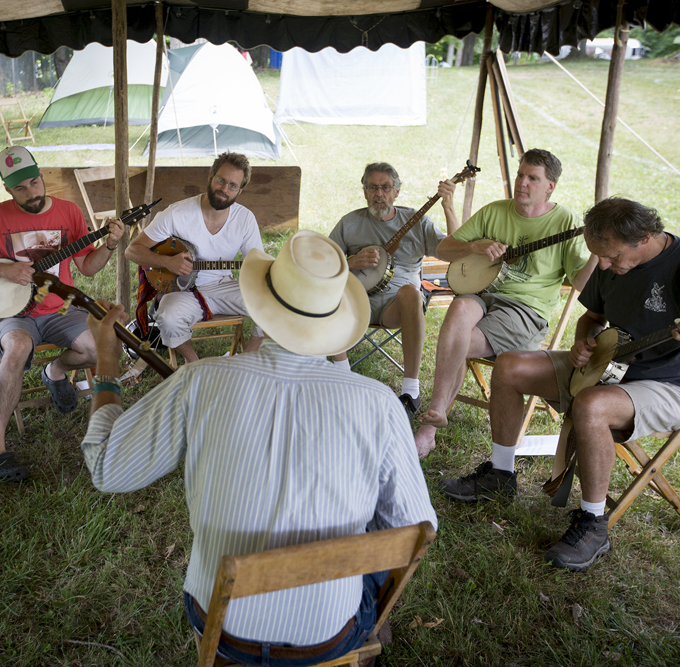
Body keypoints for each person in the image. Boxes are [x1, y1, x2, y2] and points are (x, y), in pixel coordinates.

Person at [82, 230, 437, 666]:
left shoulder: (199, 380)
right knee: (380, 538)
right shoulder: (380, 403)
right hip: (328, 635)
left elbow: (106, 467)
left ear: (259, 308)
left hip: (226, 628)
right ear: (335, 323)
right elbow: (415, 526)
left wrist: (106, 365)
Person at [440, 197, 680, 572]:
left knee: (592, 405)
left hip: (669, 385)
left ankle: (594, 524)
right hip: (608, 364)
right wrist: (584, 342)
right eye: (601, 258)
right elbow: (591, 317)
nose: (605, 266)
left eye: (611, 257)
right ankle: (500, 474)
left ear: (644, 237)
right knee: (510, 365)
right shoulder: (608, 258)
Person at [0, 146, 123, 482]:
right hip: (13, 312)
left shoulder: (69, 212)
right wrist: (3, 268)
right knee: (16, 348)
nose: (31, 192)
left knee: (105, 347)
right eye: (20, 188)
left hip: (61, 308)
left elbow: (87, 267)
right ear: (7, 190)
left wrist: (111, 245)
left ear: (42, 176)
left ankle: (55, 371)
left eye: (34, 182)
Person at [415, 149, 597, 457]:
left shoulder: (565, 222)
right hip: (482, 292)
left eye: (533, 178)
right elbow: (444, 249)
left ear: (550, 186)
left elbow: (581, 284)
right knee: (459, 308)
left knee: (457, 343)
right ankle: (436, 409)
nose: (522, 183)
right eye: (520, 174)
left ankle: (429, 427)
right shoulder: (495, 211)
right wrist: (474, 245)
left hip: (524, 310)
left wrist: (597, 252)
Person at [329, 162, 458, 416]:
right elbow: (322, 264)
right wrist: (350, 262)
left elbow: (456, 253)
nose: (379, 194)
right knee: (330, 289)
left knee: (411, 292)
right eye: (373, 188)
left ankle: (411, 391)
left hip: (396, 306)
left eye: (386, 187)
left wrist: (448, 206)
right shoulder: (349, 223)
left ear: (397, 191)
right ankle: (342, 375)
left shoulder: (416, 221)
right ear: (365, 192)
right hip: (353, 304)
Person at [124, 152, 265, 364]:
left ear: (240, 190)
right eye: (221, 180)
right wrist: (167, 262)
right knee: (169, 318)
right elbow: (132, 250)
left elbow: (258, 265)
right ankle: (194, 364)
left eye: (232, 186)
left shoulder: (244, 218)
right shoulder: (177, 214)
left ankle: (246, 360)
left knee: (274, 302)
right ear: (210, 177)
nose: (224, 189)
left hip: (223, 285)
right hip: (182, 291)